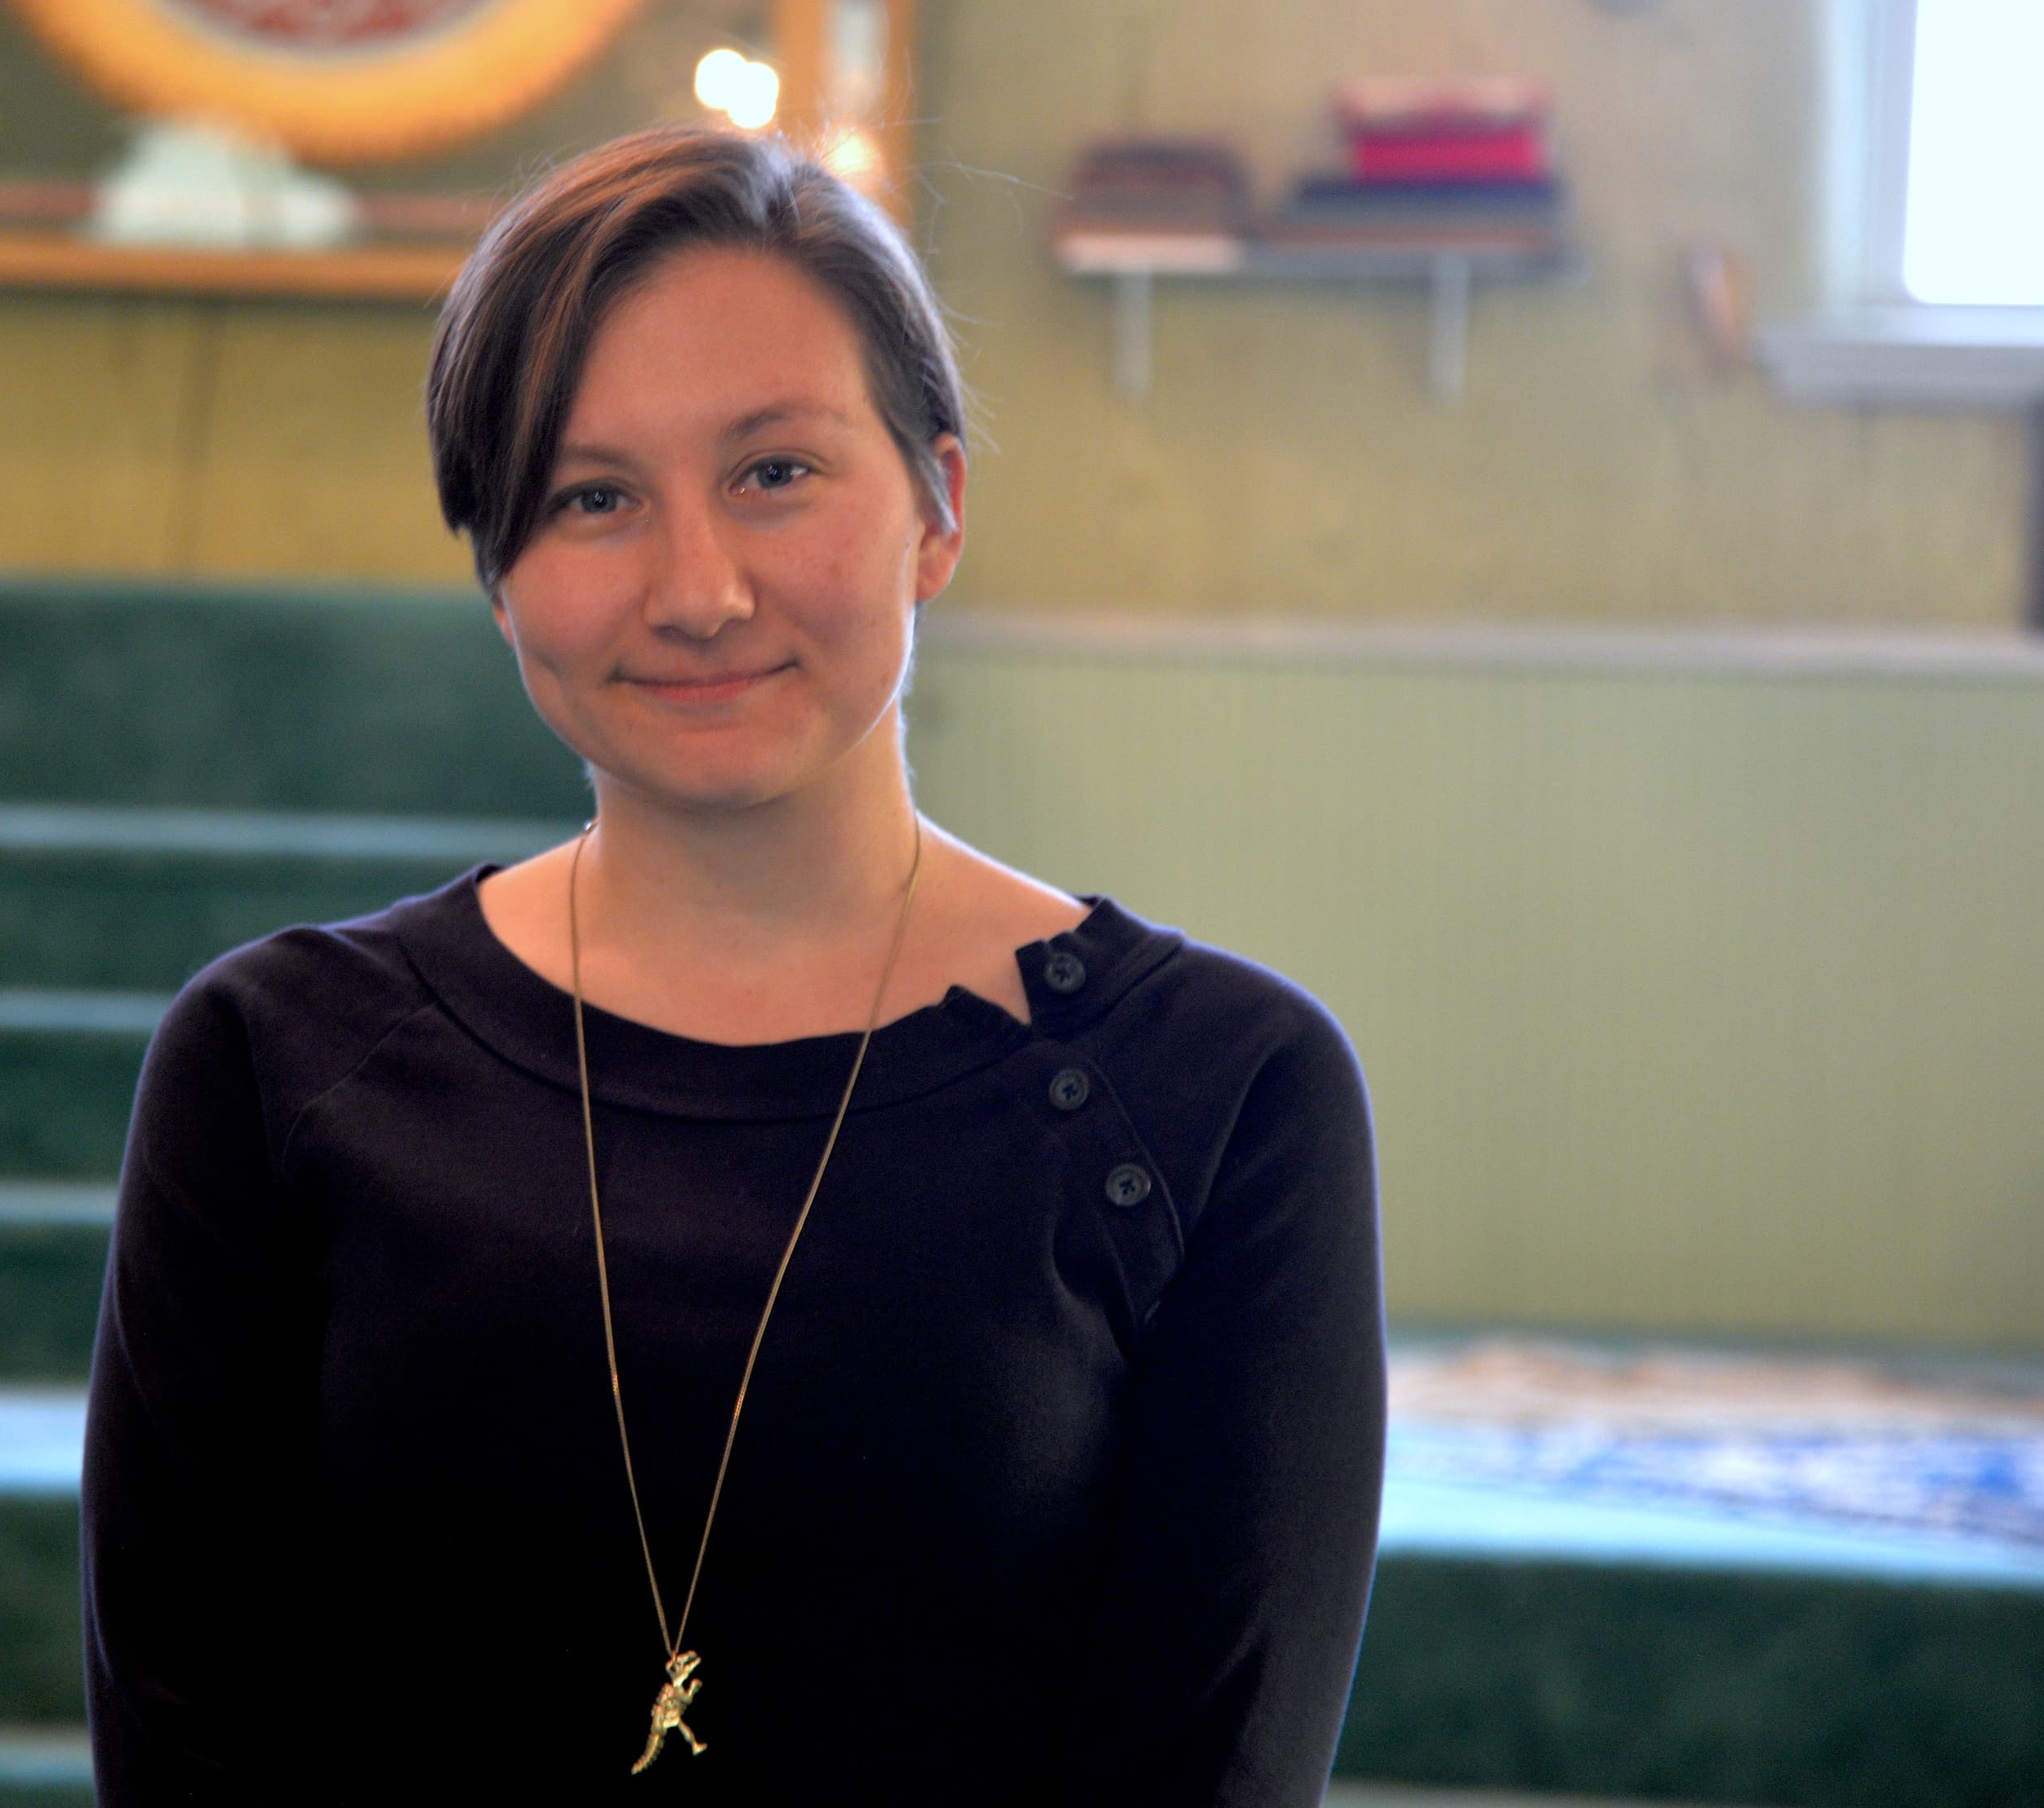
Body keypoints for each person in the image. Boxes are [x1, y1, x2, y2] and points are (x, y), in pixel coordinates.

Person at [82, 125, 1385, 1806]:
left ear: (939, 505)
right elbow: (191, 1742)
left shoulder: (1220, 1089)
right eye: (593, 498)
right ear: (499, 576)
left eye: (774, 473)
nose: (697, 591)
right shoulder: (275, 1064)